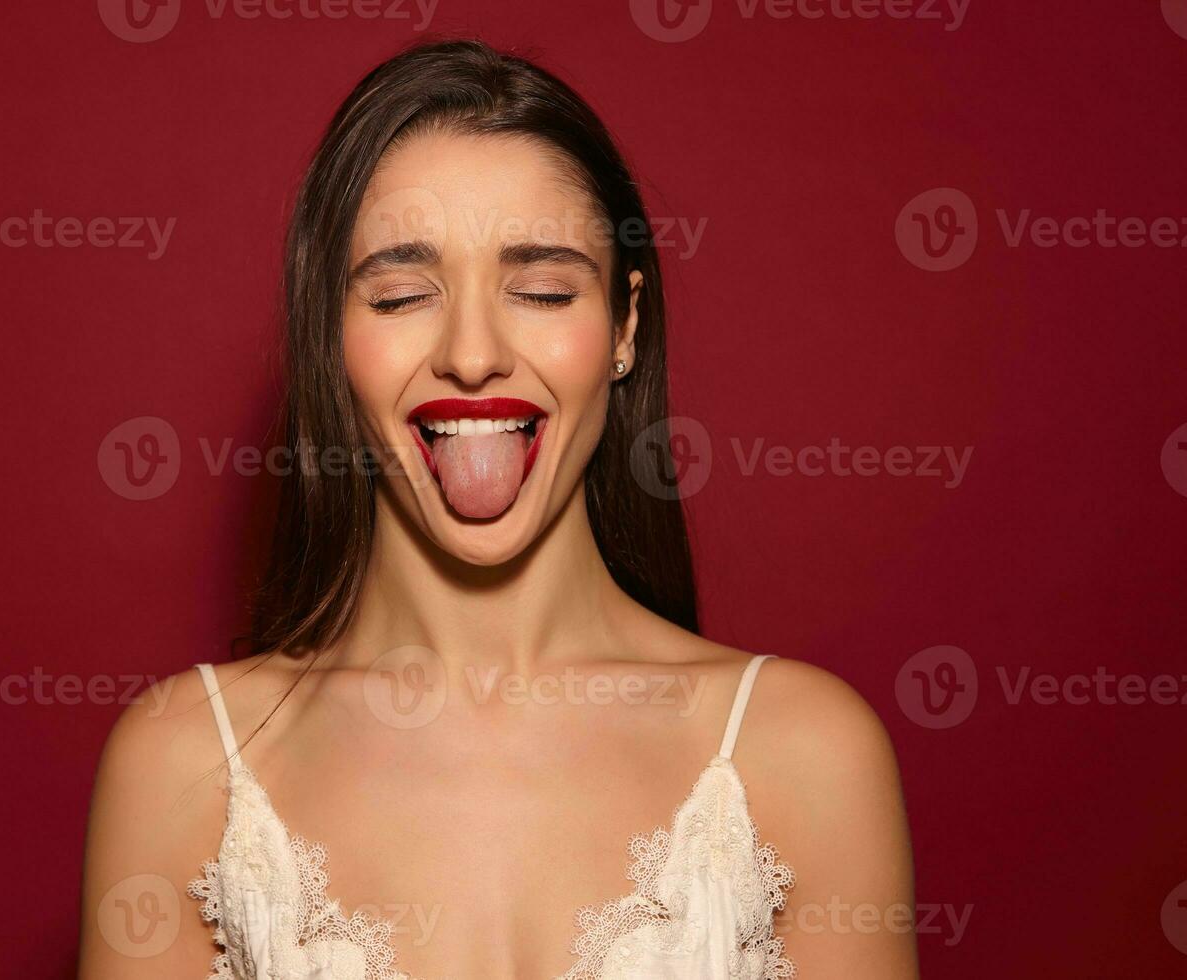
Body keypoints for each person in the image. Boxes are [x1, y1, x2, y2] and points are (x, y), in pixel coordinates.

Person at [80, 38, 917, 980]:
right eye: (401, 294)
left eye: (543, 289)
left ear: (625, 329)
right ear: (330, 336)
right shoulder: (183, 767)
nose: (472, 353)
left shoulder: (804, 753)